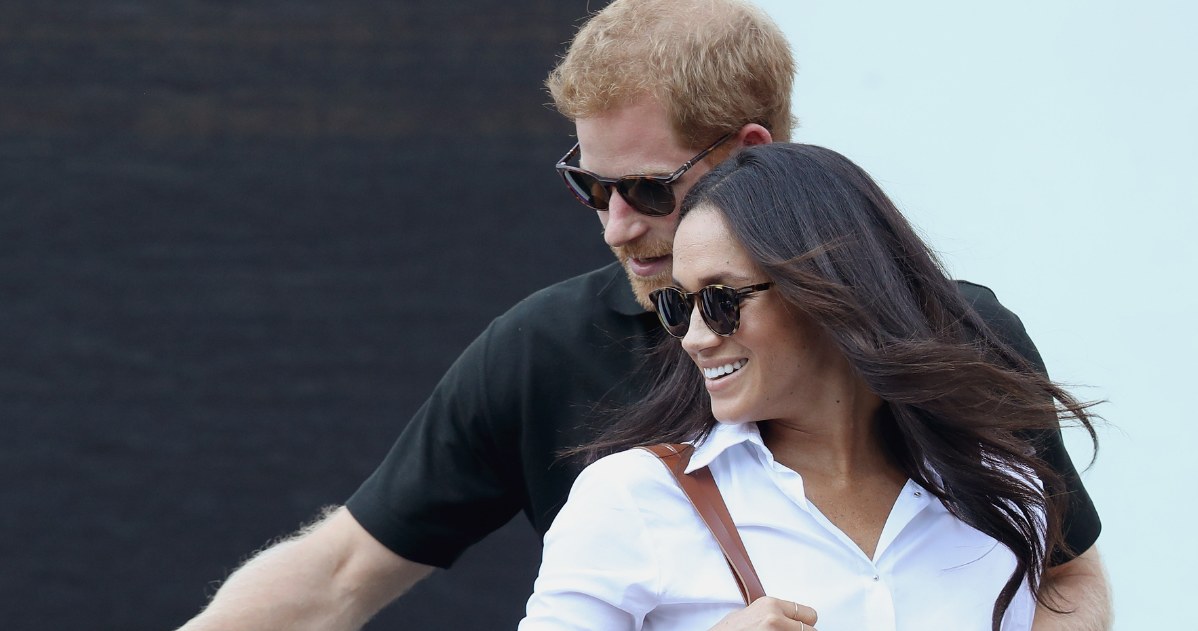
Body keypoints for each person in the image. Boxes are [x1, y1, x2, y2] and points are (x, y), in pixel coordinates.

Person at [177, 2, 1109, 630]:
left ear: (752, 153)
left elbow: (1063, 571)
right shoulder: (550, 355)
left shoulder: (952, 336)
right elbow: (340, 572)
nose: (618, 227)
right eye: (590, 188)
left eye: (646, 189)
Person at [520, 143, 1099, 631]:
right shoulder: (632, 498)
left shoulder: (999, 485)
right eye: (680, 305)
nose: (694, 337)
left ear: (827, 290)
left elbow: (1074, 582)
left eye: (721, 301)